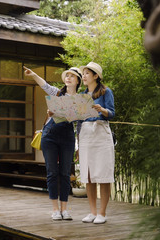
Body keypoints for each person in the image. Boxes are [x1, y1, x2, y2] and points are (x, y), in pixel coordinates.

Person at [24, 66, 82, 221]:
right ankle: (55, 210)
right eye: (67, 75)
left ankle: (65, 209)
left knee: (64, 173)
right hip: (50, 135)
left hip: (68, 137)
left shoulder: (80, 99)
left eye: (72, 76)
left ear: (78, 81)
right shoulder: (58, 93)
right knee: (52, 172)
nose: (68, 78)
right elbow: (45, 86)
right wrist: (34, 74)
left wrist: (79, 146)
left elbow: (78, 122)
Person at [77, 62, 115, 224]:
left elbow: (112, 113)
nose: (83, 76)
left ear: (95, 76)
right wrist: (78, 143)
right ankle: (92, 212)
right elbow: (78, 119)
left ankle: (102, 213)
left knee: (104, 175)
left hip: (101, 132)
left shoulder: (106, 92)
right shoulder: (81, 96)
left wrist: (102, 110)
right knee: (88, 175)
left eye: (87, 73)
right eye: (83, 73)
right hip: (85, 134)